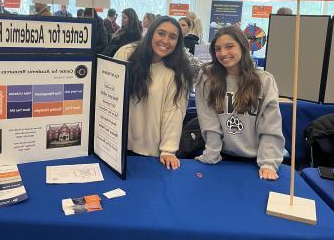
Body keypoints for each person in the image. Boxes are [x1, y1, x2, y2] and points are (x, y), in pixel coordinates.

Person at [194, 25, 284, 180]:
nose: (223, 53)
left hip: (256, 162)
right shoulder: (207, 78)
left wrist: (268, 163)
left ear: (243, 47)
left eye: (229, 47)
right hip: (222, 158)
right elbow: (209, 120)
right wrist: (212, 153)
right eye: (218, 49)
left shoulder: (264, 81)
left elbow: (270, 126)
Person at [114, 16, 193, 169]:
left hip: (150, 151)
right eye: (161, 33)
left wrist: (168, 150)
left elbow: (173, 113)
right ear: (150, 33)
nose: (165, 40)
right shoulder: (126, 54)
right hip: (117, 144)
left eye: (172, 37)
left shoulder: (177, 73)